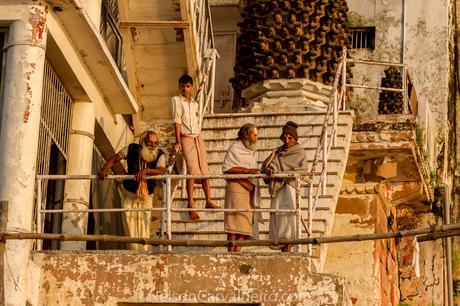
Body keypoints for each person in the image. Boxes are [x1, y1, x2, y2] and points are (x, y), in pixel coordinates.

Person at [98, 130, 166, 251]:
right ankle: (133, 251)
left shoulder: (160, 154)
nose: (153, 146)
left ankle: (143, 253)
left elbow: (161, 170)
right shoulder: (131, 148)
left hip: (147, 196)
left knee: (144, 225)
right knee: (129, 226)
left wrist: (147, 171)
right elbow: (114, 159)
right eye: (150, 142)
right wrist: (105, 169)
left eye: (156, 143)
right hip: (129, 194)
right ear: (143, 142)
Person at [171, 74, 219, 220]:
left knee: (204, 169)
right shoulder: (176, 100)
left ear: (191, 87)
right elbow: (177, 121)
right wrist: (178, 141)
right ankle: (190, 204)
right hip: (186, 137)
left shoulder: (195, 103)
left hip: (197, 136)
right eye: (182, 86)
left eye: (188, 86)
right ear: (179, 87)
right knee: (192, 170)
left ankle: (208, 200)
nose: (185, 89)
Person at [261, 121, 308, 252]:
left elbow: (302, 171)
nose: (287, 140)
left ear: (295, 138)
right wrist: (271, 169)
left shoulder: (300, 153)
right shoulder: (277, 152)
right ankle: (282, 248)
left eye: (290, 138)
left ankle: (288, 248)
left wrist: (282, 174)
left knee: (290, 218)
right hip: (279, 189)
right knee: (278, 216)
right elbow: (271, 164)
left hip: (291, 188)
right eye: (284, 137)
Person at [222, 123, 262, 252]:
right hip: (235, 190)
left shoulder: (252, 150)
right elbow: (227, 170)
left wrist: (249, 179)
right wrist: (246, 172)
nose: (256, 137)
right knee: (233, 226)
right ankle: (230, 254)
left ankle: (237, 253)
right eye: (253, 134)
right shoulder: (235, 148)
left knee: (243, 228)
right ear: (245, 134)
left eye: (256, 135)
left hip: (248, 191)